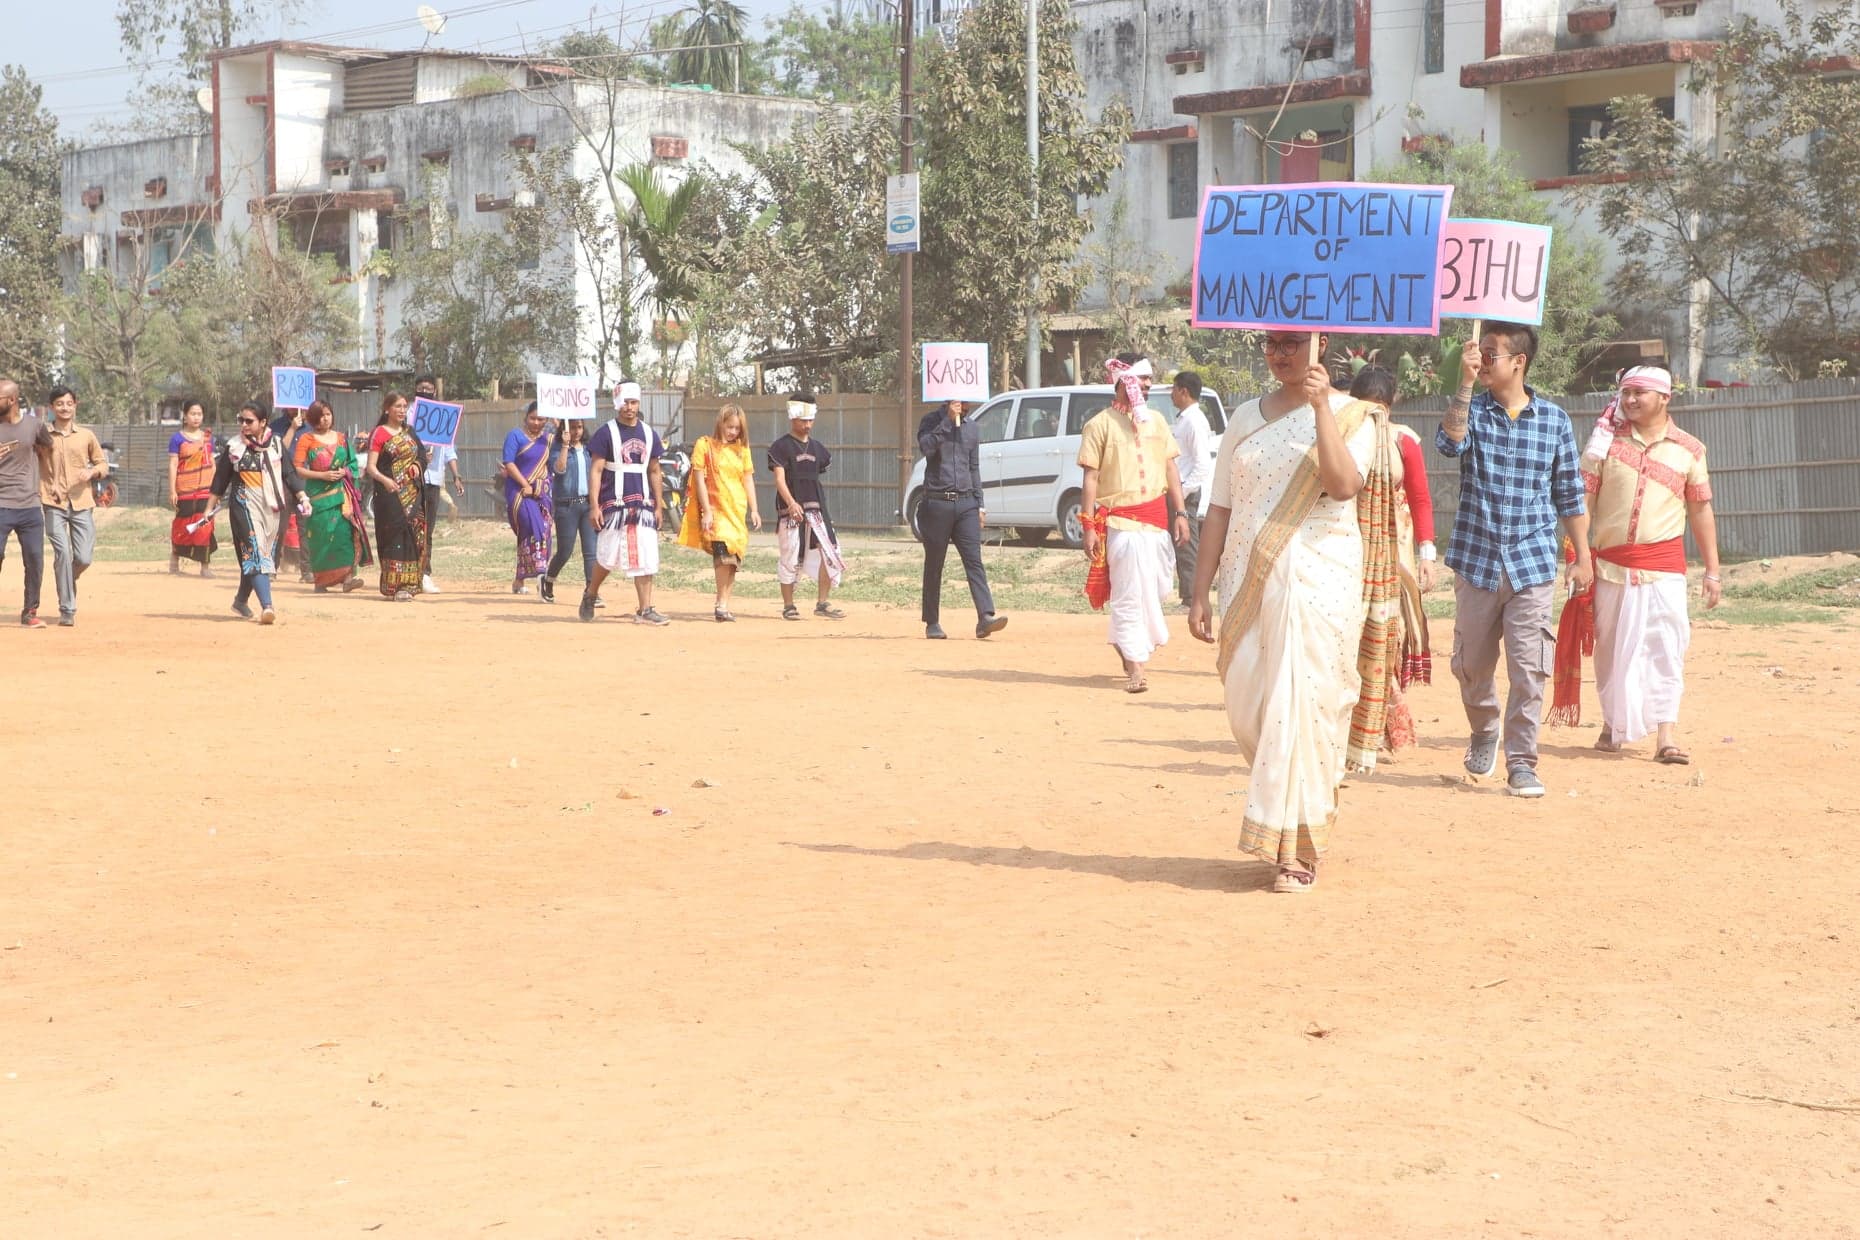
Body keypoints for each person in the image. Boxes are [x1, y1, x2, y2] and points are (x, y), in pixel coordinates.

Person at [1186, 331, 1374, 892]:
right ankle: (1287, 817)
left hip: (1318, 579)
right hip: (1248, 580)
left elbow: (1343, 486)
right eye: (1272, 344)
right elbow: (1218, 508)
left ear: (1320, 349)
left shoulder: (1352, 415)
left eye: (1293, 343)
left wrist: (1320, 406)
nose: (1280, 354)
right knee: (1250, 710)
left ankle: (1297, 847)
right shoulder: (1245, 416)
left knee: (1303, 708)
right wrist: (1200, 591)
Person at [1437, 323, 1591, 799]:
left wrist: (1581, 556)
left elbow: (1569, 492)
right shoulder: (1474, 412)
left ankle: (1522, 763)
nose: (1482, 362)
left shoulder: (1554, 420)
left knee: (1529, 669)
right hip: (1476, 561)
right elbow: (1449, 444)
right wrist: (1463, 383)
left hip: (1532, 566)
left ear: (1518, 361)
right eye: (1480, 354)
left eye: (1490, 355)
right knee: (1473, 667)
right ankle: (1485, 728)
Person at [1561, 364, 1720, 763]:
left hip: (1664, 569)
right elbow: (1582, 505)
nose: (1629, 400)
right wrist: (1579, 557)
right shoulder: (1603, 446)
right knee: (1612, 649)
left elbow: (1701, 511)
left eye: (1639, 393)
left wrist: (1713, 571)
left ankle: (1665, 735)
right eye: (1625, 393)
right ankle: (1614, 724)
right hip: (1610, 567)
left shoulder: (1690, 450)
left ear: (1664, 398)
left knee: (1666, 647)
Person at [1078, 353, 1190, 693]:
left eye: (1148, 379)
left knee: (1155, 591)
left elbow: (1171, 469)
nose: (1147, 384)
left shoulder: (1157, 421)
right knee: (1128, 596)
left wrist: (1181, 514)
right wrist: (1087, 527)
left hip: (1156, 521)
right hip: (1121, 524)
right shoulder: (1099, 425)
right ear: (1123, 382)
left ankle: (1127, 644)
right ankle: (1136, 669)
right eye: (1141, 379)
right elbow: (1091, 478)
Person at [1344, 366, 1437, 760]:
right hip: (1349, 554)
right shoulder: (1341, 436)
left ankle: (1383, 729)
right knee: (1350, 640)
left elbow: (1420, 499)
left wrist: (1427, 554)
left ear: (1392, 404)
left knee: (1389, 641)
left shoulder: (1404, 442)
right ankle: (1353, 729)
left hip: (1394, 557)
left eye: (1380, 406)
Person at [915, 397, 1008, 640]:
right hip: (937, 502)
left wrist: (980, 503)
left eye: (967, 403)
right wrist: (947, 421)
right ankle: (932, 621)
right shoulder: (930, 422)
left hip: (966, 503)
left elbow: (974, 467)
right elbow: (926, 448)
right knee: (935, 564)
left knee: (974, 560)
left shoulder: (972, 428)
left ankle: (985, 617)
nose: (965, 407)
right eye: (960, 403)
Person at [210, 400, 310, 625]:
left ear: (263, 422)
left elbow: (289, 473)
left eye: (249, 421)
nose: (244, 425)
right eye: (241, 420)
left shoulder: (275, 444)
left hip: (271, 507)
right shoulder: (234, 447)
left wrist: (302, 496)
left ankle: (240, 600)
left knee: (262, 555)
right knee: (254, 552)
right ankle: (268, 606)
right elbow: (220, 480)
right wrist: (208, 510)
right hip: (243, 505)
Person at [580, 380, 669, 625]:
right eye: (625, 402)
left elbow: (654, 470)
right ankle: (591, 593)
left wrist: (658, 505)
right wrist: (595, 505)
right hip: (614, 505)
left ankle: (645, 609)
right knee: (607, 557)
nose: (629, 407)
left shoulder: (649, 434)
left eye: (633, 402)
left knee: (646, 555)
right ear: (617, 404)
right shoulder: (605, 433)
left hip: (642, 506)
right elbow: (596, 470)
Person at [677, 403, 762, 622]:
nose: (733, 432)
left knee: (733, 561)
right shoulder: (704, 446)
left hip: (736, 512)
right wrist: (706, 511)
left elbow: (748, 479)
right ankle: (720, 604)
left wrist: (754, 509)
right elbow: (698, 477)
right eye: (730, 426)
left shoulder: (743, 451)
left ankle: (723, 603)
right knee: (723, 557)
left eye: (737, 429)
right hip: (716, 511)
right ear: (721, 423)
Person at [767, 393, 847, 622]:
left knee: (830, 551)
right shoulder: (780, 447)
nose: (807, 425)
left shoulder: (818, 449)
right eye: (803, 420)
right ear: (793, 418)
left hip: (817, 510)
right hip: (791, 511)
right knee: (790, 555)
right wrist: (791, 503)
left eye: (810, 420)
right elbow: (780, 480)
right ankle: (788, 605)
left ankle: (822, 603)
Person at [38, 386, 110, 627]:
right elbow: (30, 462)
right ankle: (67, 609)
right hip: (52, 502)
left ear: (75, 405)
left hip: (82, 503)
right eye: (59, 404)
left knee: (84, 557)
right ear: (51, 408)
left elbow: (102, 464)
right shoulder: (43, 435)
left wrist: (91, 472)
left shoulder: (86, 435)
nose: (65, 408)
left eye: (69, 403)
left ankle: (69, 578)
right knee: (63, 553)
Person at [293, 400, 371, 593]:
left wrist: (344, 472)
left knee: (344, 534)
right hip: (318, 499)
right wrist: (322, 476)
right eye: (321, 415)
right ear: (312, 418)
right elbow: (298, 469)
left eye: (328, 414)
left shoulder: (342, 439)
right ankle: (321, 581)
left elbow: (353, 464)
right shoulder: (306, 439)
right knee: (321, 538)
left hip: (341, 496)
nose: (326, 418)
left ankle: (348, 579)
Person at [366, 391, 429, 602]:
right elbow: (371, 468)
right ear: (387, 409)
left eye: (404, 407)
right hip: (389, 495)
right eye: (398, 407)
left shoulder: (410, 432)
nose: (402, 411)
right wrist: (385, 481)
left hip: (413, 494)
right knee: (395, 536)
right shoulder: (379, 433)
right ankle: (394, 586)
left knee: (413, 534)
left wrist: (417, 465)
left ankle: (410, 584)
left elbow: (421, 456)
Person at [0, 377, 52, 628]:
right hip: (0, 504)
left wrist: (48, 485)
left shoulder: (34, 425)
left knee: (34, 559)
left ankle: (30, 611)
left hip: (29, 505)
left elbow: (47, 451)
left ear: (11, 400)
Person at [1168, 371, 1215, 608]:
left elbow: (1202, 463)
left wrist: (1183, 491)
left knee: (1186, 542)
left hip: (1185, 492)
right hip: (1178, 490)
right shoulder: (1184, 419)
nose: (1171, 394)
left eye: (1173, 389)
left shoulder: (1194, 421)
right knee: (1179, 542)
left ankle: (1192, 597)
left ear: (1183, 391)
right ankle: (1187, 593)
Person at [413, 375, 463, 594]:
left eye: (429, 388)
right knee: (412, 526)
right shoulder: (409, 413)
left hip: (433, 481)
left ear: (435, 391)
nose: (425, 390)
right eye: (421, 387)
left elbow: (449, 450)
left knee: (428, 529)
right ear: (416, 389)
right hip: (413, 479)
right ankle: (408, 571)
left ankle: (425, 573)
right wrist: (419, 455)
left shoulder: (444, 417)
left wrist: (456, 476)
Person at [541, 418, 598, 606]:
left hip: (588, 504)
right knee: (565, 551)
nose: (576, 431)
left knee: (591, 551)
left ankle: (591, 591)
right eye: (572, 427)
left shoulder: (590, 448)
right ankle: (548, 580)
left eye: (579, 427)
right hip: (567, 506)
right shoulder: (557, 448)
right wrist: (565, 446)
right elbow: (559, 469)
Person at [502, 401, 556, 594]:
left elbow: (559, 462)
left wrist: (560, 429)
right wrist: (525, 484)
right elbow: (508, 462)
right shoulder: (515, 436)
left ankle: (519, 580)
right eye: (532, 418)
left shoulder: (549, 440)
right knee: (535, 528)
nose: (535, 422)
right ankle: (542, 573)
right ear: (526, 417)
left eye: (540, 419)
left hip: (542, 494)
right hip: (519, 492)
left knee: (541, 531)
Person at [167, 398, 218, 576]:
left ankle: (205, 567)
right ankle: (174, 560)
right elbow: (173, 464)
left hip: (206, 489)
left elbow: (212, 462)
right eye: (192, 414)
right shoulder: (177, 438)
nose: (196, 418)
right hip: (184, 490)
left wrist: (217, 487)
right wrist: (172, 490)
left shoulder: (208, 438)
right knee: (182, 525)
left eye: (199, 414)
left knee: (204, 525)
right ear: (185, 416)